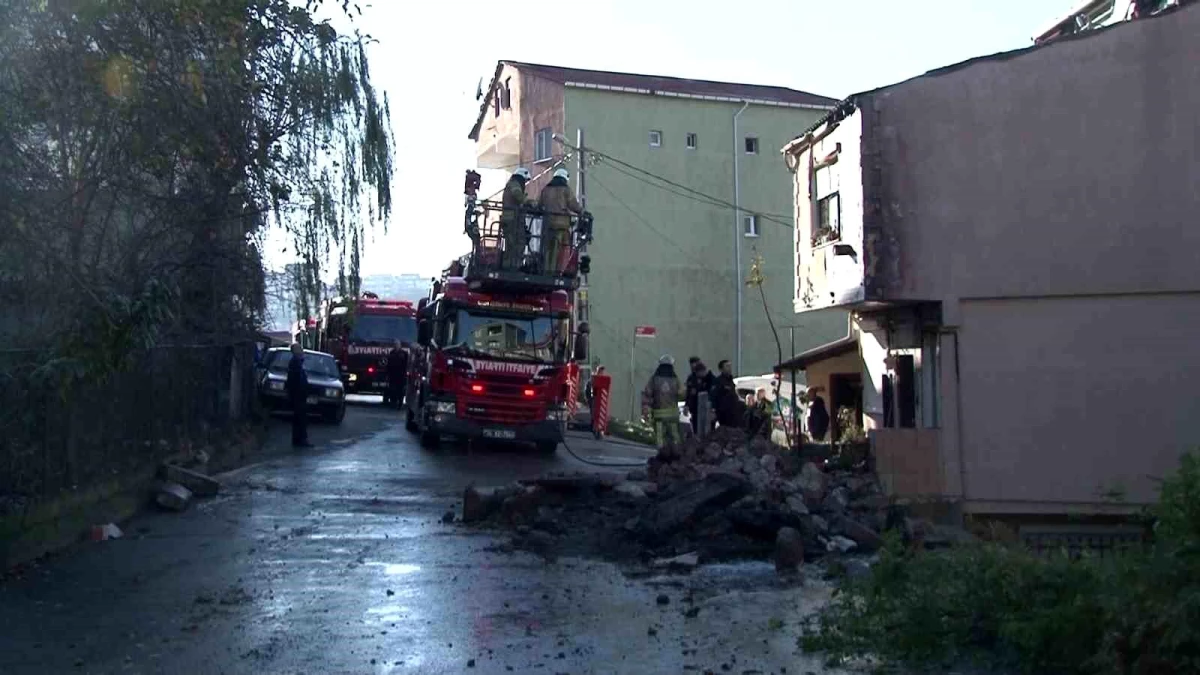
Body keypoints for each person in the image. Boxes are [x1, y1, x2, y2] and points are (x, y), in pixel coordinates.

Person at [537, 167, 582, 274]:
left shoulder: (545, 190)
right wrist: (582, 211)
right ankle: (558, 272)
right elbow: (573, 205)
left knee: (549, 250)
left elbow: (539, 205)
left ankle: (547, 271)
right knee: (562, 250)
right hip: (562, 227)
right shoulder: (565, 190)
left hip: (548, 226)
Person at [641, 355, 686, 450]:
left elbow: (648, 393)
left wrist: (646, 408)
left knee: (660, 436)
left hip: (658, 413)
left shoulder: (654, 379)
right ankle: (676, 452)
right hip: (672, 414)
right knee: (675, 435)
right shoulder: (676, 379)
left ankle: (661, 452)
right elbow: (682, 393)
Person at [501, 167, 531, 269]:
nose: (525, 183)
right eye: (525, 180)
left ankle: (510, 266)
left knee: (512, 245)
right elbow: (517, 194)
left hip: (512, 219)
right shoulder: (514, 184)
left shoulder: (512, 183)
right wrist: (529, 202)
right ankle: (513, 267)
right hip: (512, 220)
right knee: (517, 244)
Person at [286, 343, 312, 447]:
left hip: (298, 394)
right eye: (300, 349)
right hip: (298, 395)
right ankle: (301, 440)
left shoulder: (297, 362)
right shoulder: (295, 362)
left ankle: (298, 439)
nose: (302, 351)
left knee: (299, 418)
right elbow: (296, 380)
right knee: (300, 418)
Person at [684, 357, 716, 434]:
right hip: (695, 409)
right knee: (696, 430)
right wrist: (687, 405)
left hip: (707, 409)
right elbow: (689, 393)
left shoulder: (710, 379)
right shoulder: (691, 378)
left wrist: (713, 410)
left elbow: (714, 396)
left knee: (708, 432)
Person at [385, 339, 408, 409]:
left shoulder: (404, 353)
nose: (396, 346)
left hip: (401, 375)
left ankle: (400, 403)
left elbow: (406, 364)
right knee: (392, 389)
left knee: (400, 390)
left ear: (400, 345)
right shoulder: (391, 353)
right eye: (394, 344)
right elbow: (389, 365)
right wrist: (387, 374)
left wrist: (406, 374)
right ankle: (393, 402)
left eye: (397, 344)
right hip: (393, 374)